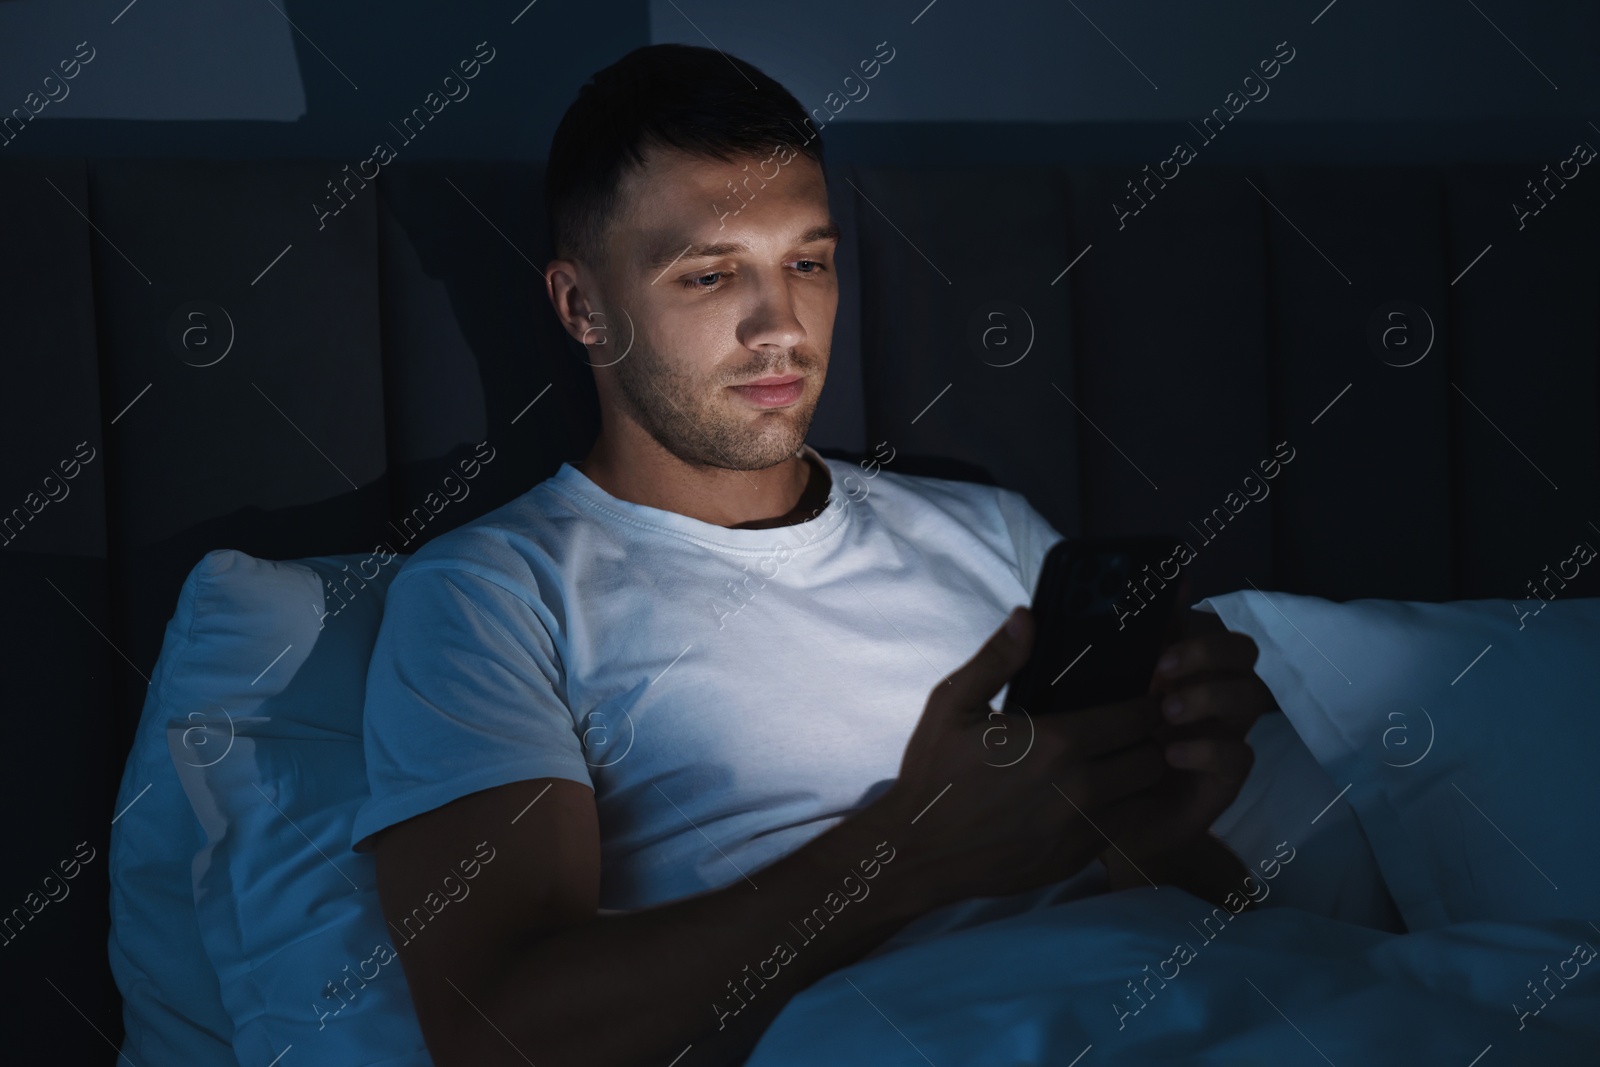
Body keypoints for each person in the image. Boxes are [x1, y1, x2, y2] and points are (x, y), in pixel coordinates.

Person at [352, 42, 1274, 1067]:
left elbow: (1209, 933)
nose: (780, 327)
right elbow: (498, 1032)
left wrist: (1155, 830)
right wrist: (907, 853)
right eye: (709, 274)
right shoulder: (493, 594)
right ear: (581, 307)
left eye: (807, 262)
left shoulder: (990, 531)